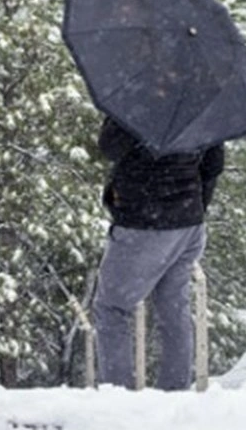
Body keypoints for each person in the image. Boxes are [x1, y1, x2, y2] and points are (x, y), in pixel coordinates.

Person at [91, 115, 224, 390]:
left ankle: (117, 396)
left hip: (145, 222)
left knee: (112, 308)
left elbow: (110, 146)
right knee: (173, 307)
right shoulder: (201, 101)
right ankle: (175, 391)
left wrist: (120, 116)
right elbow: (214, 163)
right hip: (188, 223)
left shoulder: (139, 101)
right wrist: (195, 206)